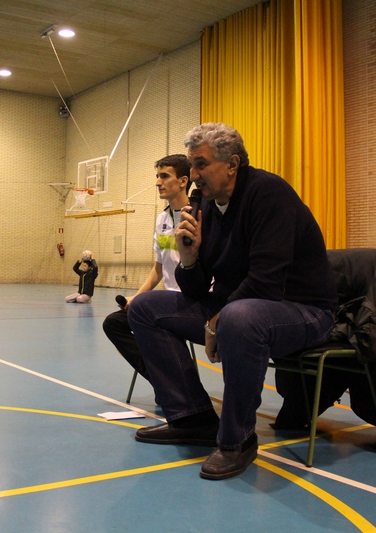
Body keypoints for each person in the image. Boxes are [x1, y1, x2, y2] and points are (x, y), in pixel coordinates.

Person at [127, 123, 338, 480]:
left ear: (233, 164)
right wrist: (189, 257)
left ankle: (236, 441)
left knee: (239, 318)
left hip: (303, 310)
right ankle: (192, 418)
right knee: (145, 309)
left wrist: (215, 321)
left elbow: (267, 282)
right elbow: (195, 290)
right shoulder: (207, 207)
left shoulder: (269, 194)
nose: (193, 177)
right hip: (241, 307)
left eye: (200, 165)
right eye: (191, 167)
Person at [102, 154, 192, 384]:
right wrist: (137, 297)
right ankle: (161, 379)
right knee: (114, 323)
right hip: (168, 300)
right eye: (157, 176)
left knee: (152, 319)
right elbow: (158, 269)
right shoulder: (162, 218)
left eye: (164, 176)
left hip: (192, 300)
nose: (158, 182)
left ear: (183, 181)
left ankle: (171, 383)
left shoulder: (198, 215)